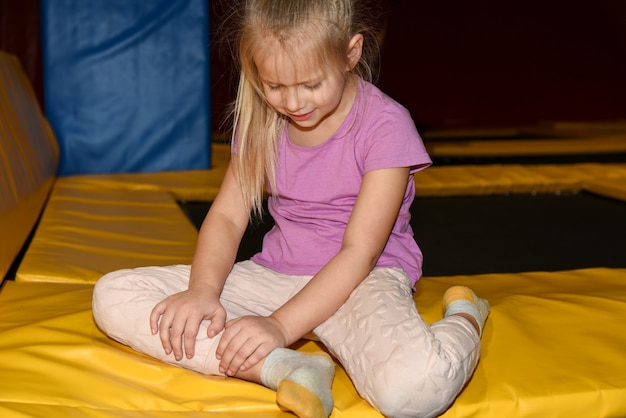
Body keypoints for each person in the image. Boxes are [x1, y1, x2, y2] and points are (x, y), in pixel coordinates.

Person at [92, 1, 490, 417]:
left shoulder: (386, 126)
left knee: (413, 395)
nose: (293, 102)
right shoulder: (263, 119)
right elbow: (229, 216)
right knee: (114, 295)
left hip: (360, 282)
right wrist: (202, 293)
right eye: (275, 86)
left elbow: (360, 251)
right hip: (276, 275)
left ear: (351, 53)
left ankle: (466, 318)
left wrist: (280, 326)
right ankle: (286, 367)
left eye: (310, 84)